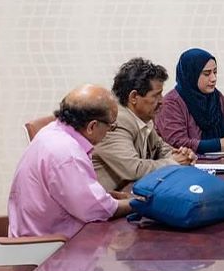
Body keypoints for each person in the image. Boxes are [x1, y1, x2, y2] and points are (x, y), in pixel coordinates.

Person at [8, 85, 132, 239]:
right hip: (49, 246)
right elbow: (96, 210)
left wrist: (105, 197)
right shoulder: (67, 153)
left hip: (44, 235)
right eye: (111, 126)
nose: (108, 132)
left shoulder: (53, 131)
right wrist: (137, 204)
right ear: (92, 126)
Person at [92, 58, 197, 191]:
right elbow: (134, 169)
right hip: (109, 200)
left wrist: (182, 155)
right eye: (156, 95)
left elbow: (160, 148)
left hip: (129, 194)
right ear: (134, 97)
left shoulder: (143, 118)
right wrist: (174, 162)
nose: (162, 101)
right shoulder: (115, 122)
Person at [155, 48, 224, 154]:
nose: (213, 78)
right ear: (191, 75)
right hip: (186, 163)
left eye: (215, 72)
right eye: (207, 73)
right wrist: (221, 144)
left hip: (221, 162)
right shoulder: (172, 103)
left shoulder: (217, 97)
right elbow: (178, 143)